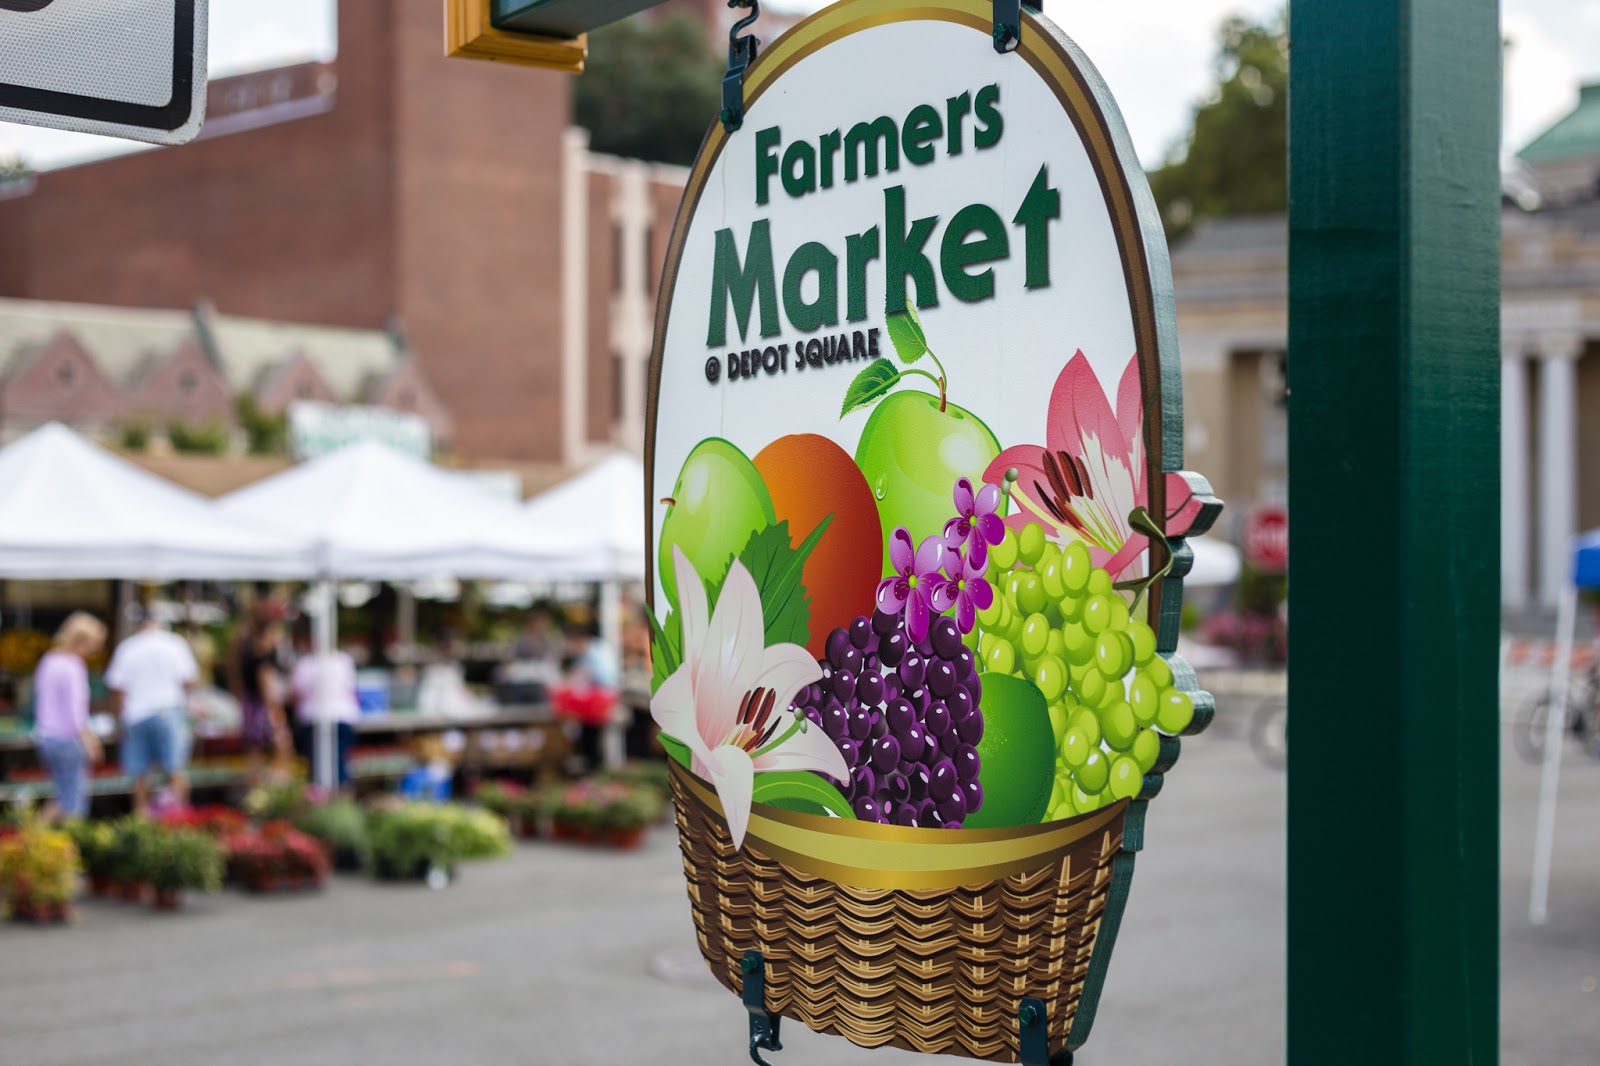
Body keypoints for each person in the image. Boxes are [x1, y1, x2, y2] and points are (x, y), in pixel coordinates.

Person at [105, 605, 200, 815]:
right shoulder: (175, 644)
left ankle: (142, 819)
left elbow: (117, 689)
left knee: (139, 774)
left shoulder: (128, 647)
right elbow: (190, 680)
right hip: (168, 711)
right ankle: (178, 819)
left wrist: (117, 721)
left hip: (136, 714)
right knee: (175, 769)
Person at [32, 613, 107, 822]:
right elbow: (76, 712)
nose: (94, 650)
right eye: (93, 644)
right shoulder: (73, 665)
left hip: (46, 737)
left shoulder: (48, 661)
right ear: (81, 640)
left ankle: (33, 840)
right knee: (74, 802)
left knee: (61, 794)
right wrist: (90, 741)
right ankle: (71, 846)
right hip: (67, 739)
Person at [288, 619, 360, 791]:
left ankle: (325, 802)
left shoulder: (305, 664)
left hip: (315, 719)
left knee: (318, 767)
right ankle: (341, 800)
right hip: (343, 717)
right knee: (340, 763)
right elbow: (351, 690)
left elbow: (294, 695)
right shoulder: (343, 660)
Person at [236, 619, 291, 783]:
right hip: (264, 708)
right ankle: (276, 784)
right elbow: (268, 691)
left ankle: (256, 788)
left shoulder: (248, 657)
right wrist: (276, 713)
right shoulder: (263, 663)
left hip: (251, 708)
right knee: (281, 744)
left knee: (254, 751)